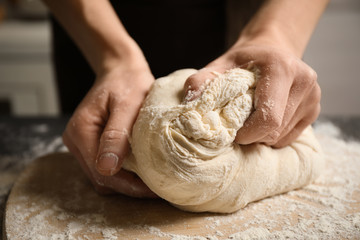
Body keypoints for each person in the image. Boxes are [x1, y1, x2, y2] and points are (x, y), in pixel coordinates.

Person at [41, 0, 329, 198]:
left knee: (271, 111)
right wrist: (113, 58)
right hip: (104, 23)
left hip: (262, 18)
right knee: (112, 133)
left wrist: (276, 34)